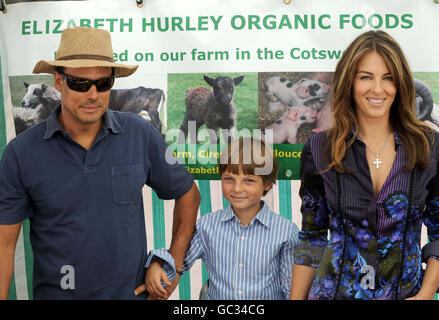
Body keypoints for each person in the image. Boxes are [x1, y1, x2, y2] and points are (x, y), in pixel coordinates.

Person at [0, 26, 200, 299]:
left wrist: (173, 265)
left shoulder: (139, 133)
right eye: (81, 83)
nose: (93, 94)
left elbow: (188, 193)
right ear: (58, 82)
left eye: (103, 83)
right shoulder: (21, 152)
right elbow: (4, 246)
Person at [290, 30, 439, 300]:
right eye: (365, 77)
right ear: (350, 81)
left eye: (388, 78)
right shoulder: (319, 149)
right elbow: (312, 237)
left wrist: (425, 295)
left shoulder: (430, 147)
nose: (378, 89)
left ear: (401, 83)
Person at [135, 137, 299, 299]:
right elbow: (178, 261)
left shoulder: (285, 231)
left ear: (267, 184)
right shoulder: (207, 226)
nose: (237, 188)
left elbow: (291, 289)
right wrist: (157, 264)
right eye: (229, 179)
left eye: (248, 181)